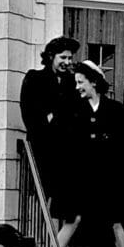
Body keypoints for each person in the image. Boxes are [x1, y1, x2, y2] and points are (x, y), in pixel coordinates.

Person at [55, 60, 124, 247]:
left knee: (115, 222)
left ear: (93, 82)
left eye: (81, 82)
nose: (77, 86)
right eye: (76, 82)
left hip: (107, 176)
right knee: (73, 218)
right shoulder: (71, 109)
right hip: (80, 175)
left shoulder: (115, 109)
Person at [19, 36, 79, 202]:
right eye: (63, 57)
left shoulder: (74, 83)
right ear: (51, 56)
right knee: (41, 200)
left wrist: (55, 116)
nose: (67, 62)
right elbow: (31, 116)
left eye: (70, 58)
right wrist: (53, 118)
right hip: (42, 151)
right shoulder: (34, 79)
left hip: (67, 155)